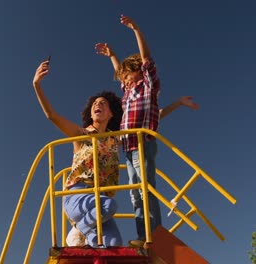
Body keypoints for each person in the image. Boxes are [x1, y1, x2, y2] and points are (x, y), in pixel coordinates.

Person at [94, 15, 199, 247]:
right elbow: (157, 113)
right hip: (128, 147)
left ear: (138, 73)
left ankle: (155, 235)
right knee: (135, 192)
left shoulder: (147, 87)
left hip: (143, 145)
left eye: (128, 76)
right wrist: (112, 56)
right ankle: (144, 236)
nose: (125, 81)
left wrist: (136, 30)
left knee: (146, 189)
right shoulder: (128, 93)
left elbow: (146, 60)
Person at [32, 59, 124, 247]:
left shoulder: (115, 139)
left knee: (114, 244)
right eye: (95, 104)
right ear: (91, 113)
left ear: (111, 114)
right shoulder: (81, 134)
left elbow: (144, 121)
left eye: (104, 103)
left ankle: (85, 234)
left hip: (99, 201)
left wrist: (177, 104)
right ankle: (79, 229)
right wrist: (37, 85)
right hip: (78, 195)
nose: (98, 104)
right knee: (109, 206)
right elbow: (52, 115)